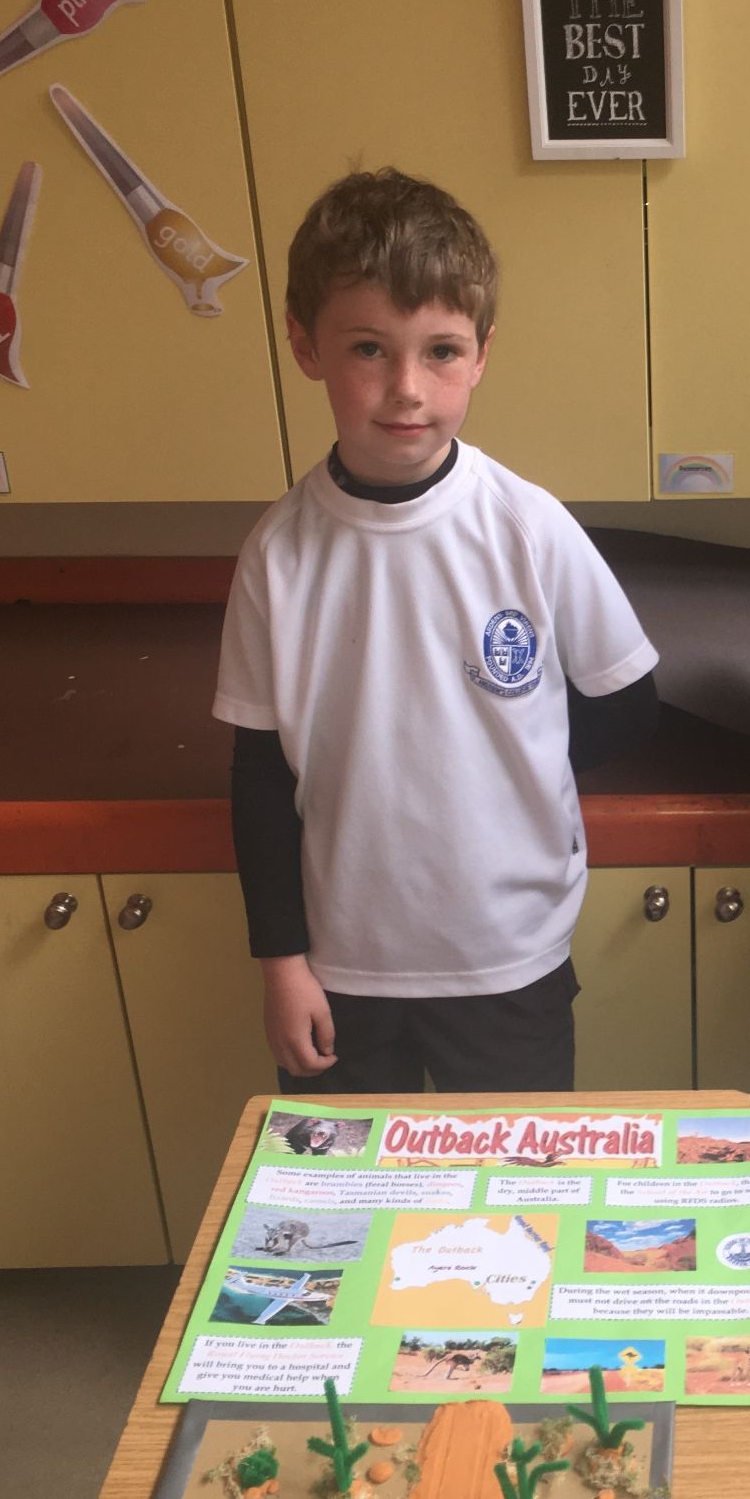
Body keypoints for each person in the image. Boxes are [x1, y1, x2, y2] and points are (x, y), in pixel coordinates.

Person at [215, 167, 658, 1094]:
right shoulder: (278, 555)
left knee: (516, 1182)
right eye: (369, 349)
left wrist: (500, 778)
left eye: (442, 351)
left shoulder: (527, 526)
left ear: (482, 353)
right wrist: (280, 964)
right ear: (304, 345)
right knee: (345, 1185)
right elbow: (259, 777)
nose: (406, 388)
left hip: (508, 958)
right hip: (341, 966)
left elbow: (628, 704)